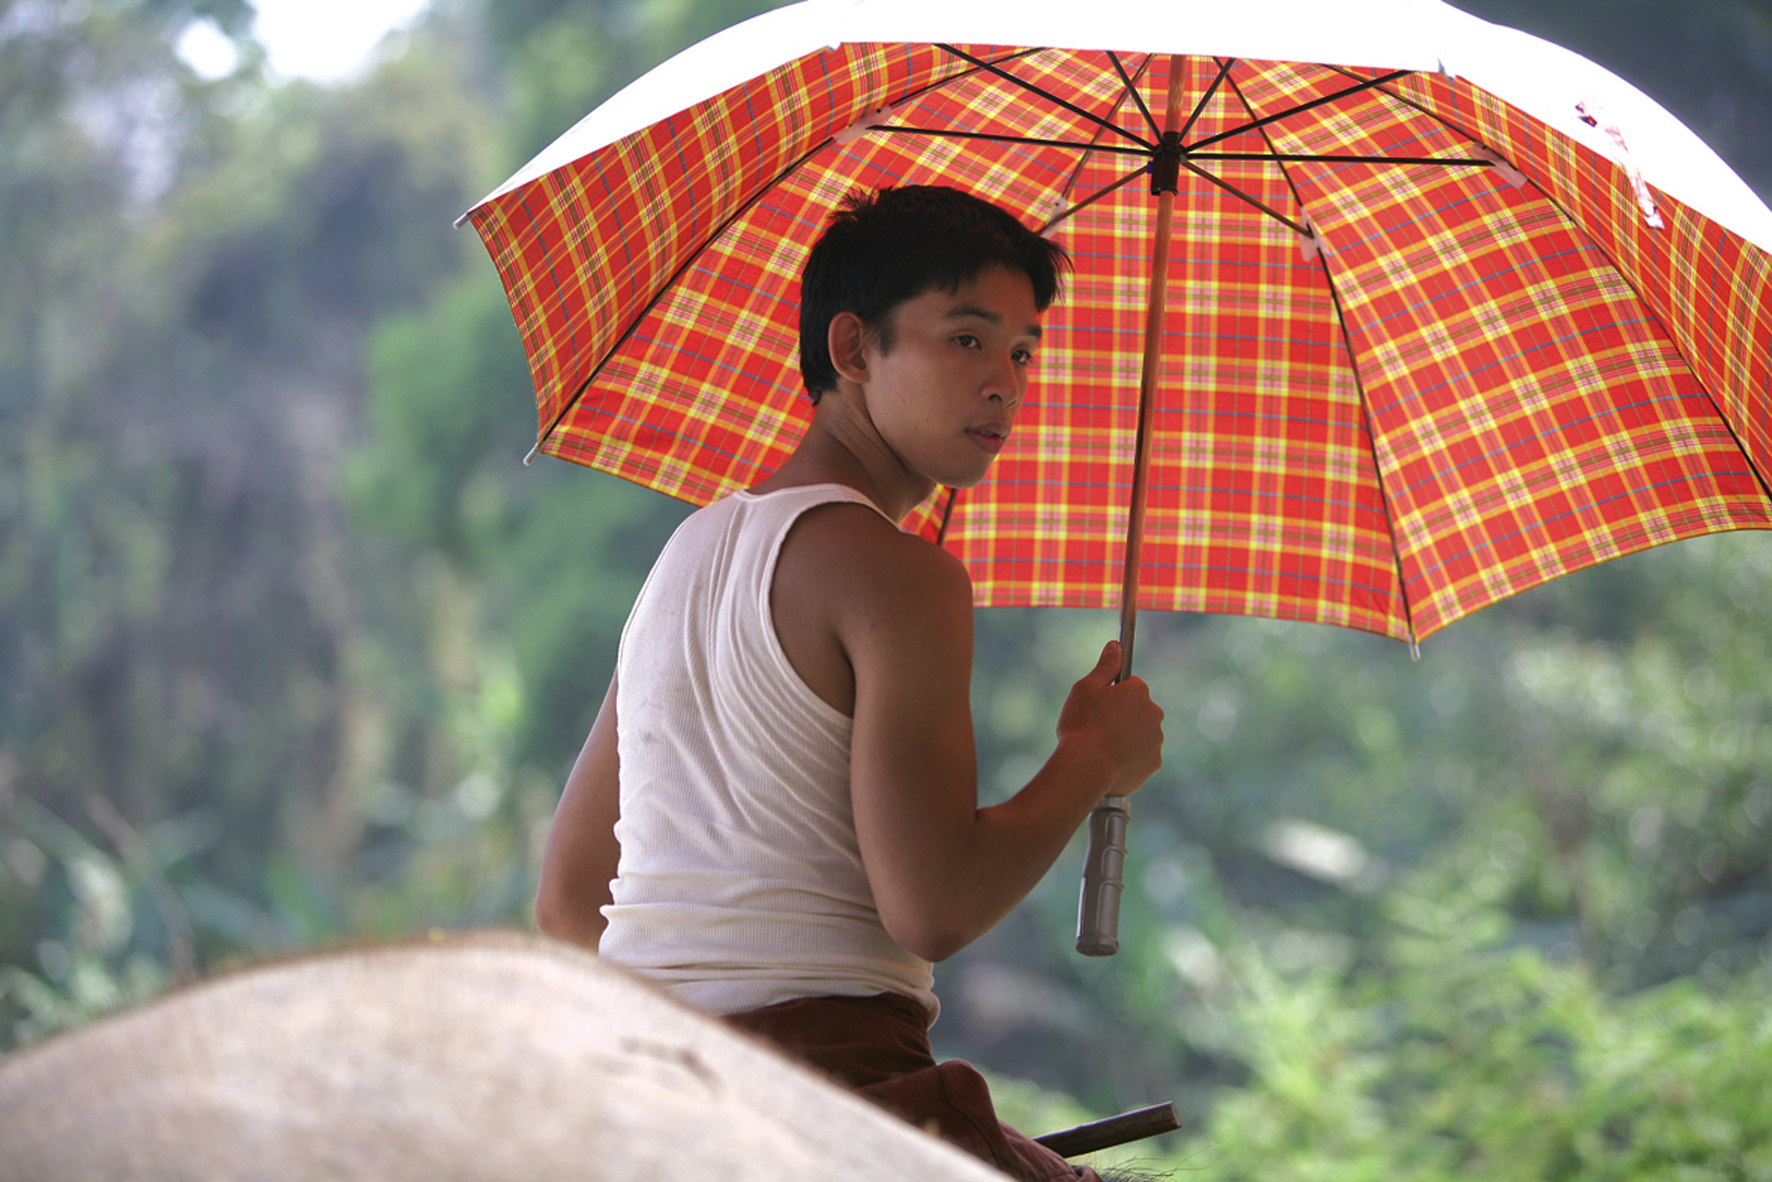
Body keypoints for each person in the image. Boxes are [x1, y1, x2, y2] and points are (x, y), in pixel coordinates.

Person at [534, 185, 1166, 1181]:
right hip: (827, 1083)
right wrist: (1090, 759)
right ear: (853, 349)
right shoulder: (901, 577)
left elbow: (569, 902)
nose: (1003, 384)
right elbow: (933, 908)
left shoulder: (683, 556)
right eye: (966, 339)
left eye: (1022, 352)